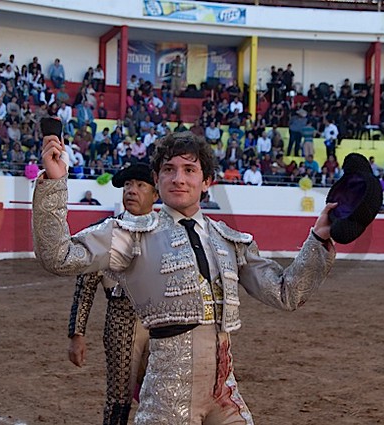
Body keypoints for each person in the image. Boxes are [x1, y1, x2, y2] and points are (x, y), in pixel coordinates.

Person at [33, 130, 336, 424]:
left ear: (206, 182)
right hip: (168, 393)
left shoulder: (229, 240)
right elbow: (58, 256)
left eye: (189, 170)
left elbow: (286, 293)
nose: (178, 178)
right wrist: (55, 182)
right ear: (157, 178)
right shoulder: (131, 234)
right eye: (169, 169)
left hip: (224, 390)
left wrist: (318, 240)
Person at [69, 163, 158, 425]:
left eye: (140, 185)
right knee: (119, 398)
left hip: (161, 321)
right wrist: (77, 334)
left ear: (155, 195)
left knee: (163, 395)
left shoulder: (168, 232)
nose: (131, 190)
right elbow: (85, 286)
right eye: (128, 185)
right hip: (120, 320)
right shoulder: (105, 232)